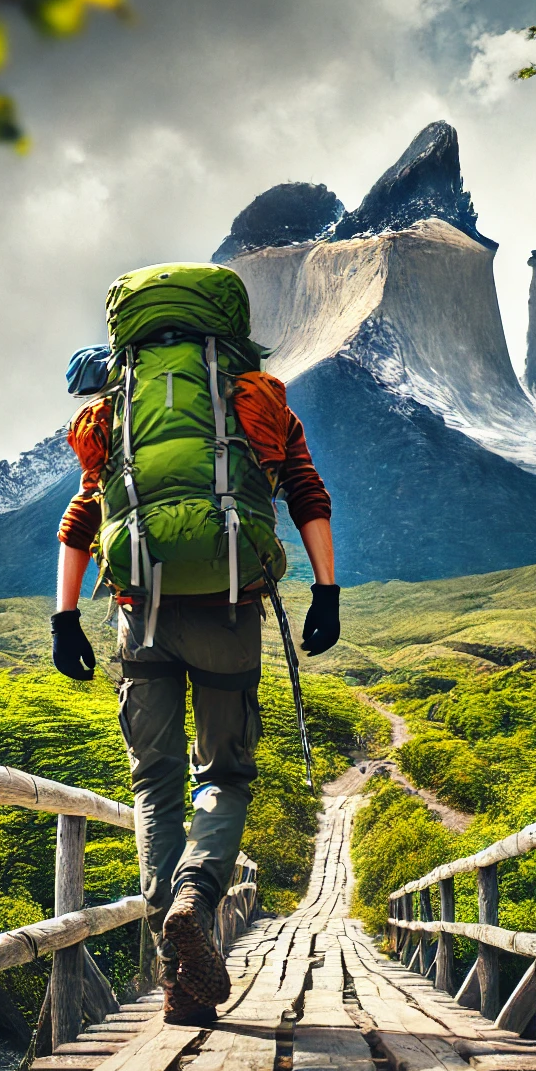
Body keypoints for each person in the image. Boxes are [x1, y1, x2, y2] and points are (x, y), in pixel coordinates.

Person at [50, 262, 340, 1026]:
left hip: (137, 611)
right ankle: (195, 896)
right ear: (232, 330)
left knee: (154, 785)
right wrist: (327, 593)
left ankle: (177, 974)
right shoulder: (258, 397)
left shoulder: (115, 408)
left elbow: (84, 517)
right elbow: (306, 491)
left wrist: (63, 617)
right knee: (225, 773)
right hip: (228, 609)